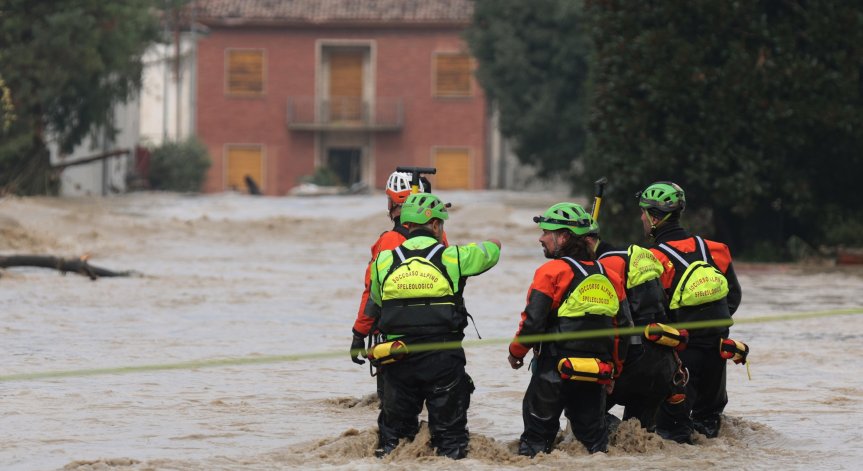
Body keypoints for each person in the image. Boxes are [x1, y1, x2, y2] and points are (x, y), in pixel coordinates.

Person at [366, 192, 501, 459]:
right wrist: (495, 241)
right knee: (451, 440)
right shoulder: (454, 257)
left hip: (396, 357)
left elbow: (377, 300)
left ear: (406, 225)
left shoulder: (383, 262)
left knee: (394, 439)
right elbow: (491, 252)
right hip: (442, 359)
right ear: (437, 226)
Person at [508, 202, 630, 456]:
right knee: (593, 447)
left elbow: (533, 323)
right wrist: (614, 372)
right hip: (596, 373)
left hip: (552, 373)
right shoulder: (611, 276)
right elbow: (623, 329)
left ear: (563, 237)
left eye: (546, 233)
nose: (541, 238)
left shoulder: (551, 272)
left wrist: (516, 352)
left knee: (535, 447)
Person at [636, 181, 743, 443]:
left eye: (643, 213)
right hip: (718, 351)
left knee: (673, 437)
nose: (641, 218)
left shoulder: (652, 259)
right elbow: (734, 297)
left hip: (681, 356)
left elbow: (649, 314)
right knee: (709, 430)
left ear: (653, 217)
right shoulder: (717, 250)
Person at [349, 171, 449, 401]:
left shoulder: (388, 242)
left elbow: (372, 292)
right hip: (439, 336)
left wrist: (359, 333)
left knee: (394, 409)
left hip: (395, 338)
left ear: (393, 203)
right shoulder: (440, 240)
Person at [592, 234, 681, 432]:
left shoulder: (606, 265)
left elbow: (613, 323)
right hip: (662, 365)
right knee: (640, 432)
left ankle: (617, 435)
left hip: (632, 362)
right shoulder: (642, 258)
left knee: (583, 412)